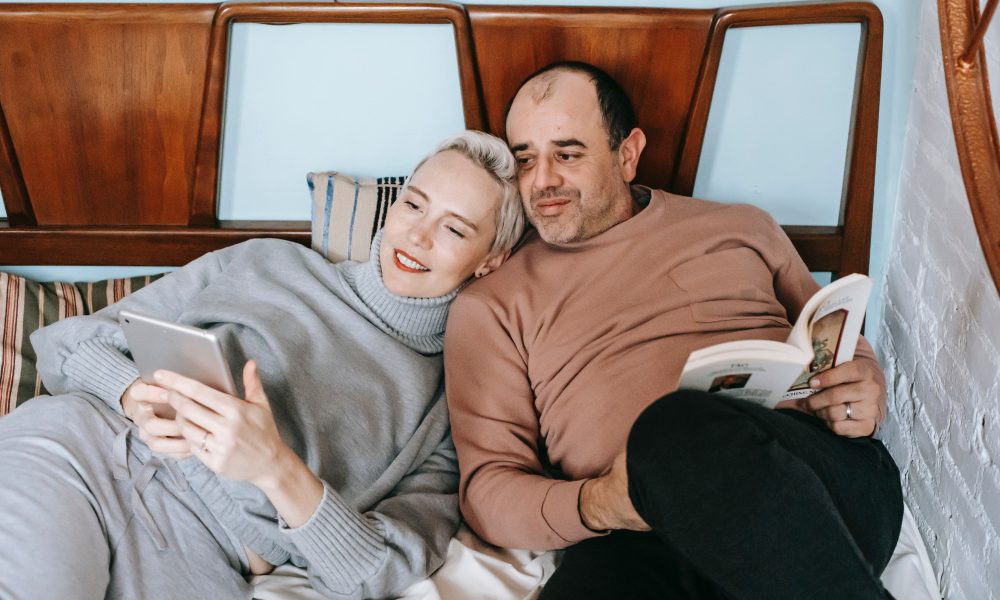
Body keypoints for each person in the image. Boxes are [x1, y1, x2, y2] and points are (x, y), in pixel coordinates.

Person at [0, 130, 525, 600]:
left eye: (454, 229)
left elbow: (379, 569)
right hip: (86, 451)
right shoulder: (265, 260)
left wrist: (276, 469)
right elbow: (62, 343)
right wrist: (132, 392)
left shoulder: (447, 407)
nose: (418, 235)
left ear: (490, 261)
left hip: (202, 550)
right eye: (414, 204)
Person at [444, 62, 903, 599]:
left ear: (627, 153)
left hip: (815, 487)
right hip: (640, 534)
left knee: (672, 427)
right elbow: (487, 492)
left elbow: (835, 335)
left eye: (567, 154)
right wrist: (603, 502)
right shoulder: (490, 305)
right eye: (525, 160)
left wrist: (864, 381)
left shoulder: (742, 226)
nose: (542, 180)